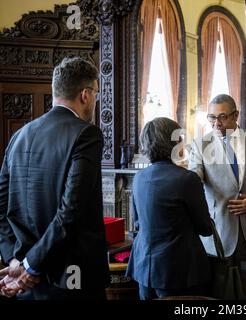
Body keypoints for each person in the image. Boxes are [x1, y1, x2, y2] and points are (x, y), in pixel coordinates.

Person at [0, 57, 109, 299]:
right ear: (85, 94)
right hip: (71, 280)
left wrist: (16, 260)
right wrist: (29, 265)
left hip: (28, 282)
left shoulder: (19, 135)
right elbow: (71, 211)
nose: (95, 101)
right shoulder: (86, 135)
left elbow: (1, 207)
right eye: (96, 94)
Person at [188, 94, 246, 299]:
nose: (216, 123)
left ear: (236, 115)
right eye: (211, 118)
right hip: (218, 234)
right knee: (218, 294)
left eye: (222, 117)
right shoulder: (200, 145)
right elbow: (194, 179)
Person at [126, 117, 213, 300]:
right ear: (174, 143)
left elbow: (137, 223)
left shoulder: (139, 178)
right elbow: (205, 228)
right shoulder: (187, 179)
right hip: (178, 271)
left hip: (144, 269)